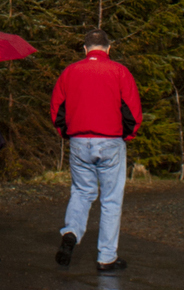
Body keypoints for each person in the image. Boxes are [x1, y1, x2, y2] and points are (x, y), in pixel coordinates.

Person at [48, 32, 144, 272]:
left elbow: (57, 107)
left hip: (80, 140)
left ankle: (71, 231)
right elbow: (132, 109)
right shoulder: (120, 71)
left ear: (85, 49)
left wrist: (66, 133)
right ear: (108, 48)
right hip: (110, 140)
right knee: (110, 200)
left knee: (82, 192)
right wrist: (127, 135)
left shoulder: (70, 72)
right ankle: (106, 257)